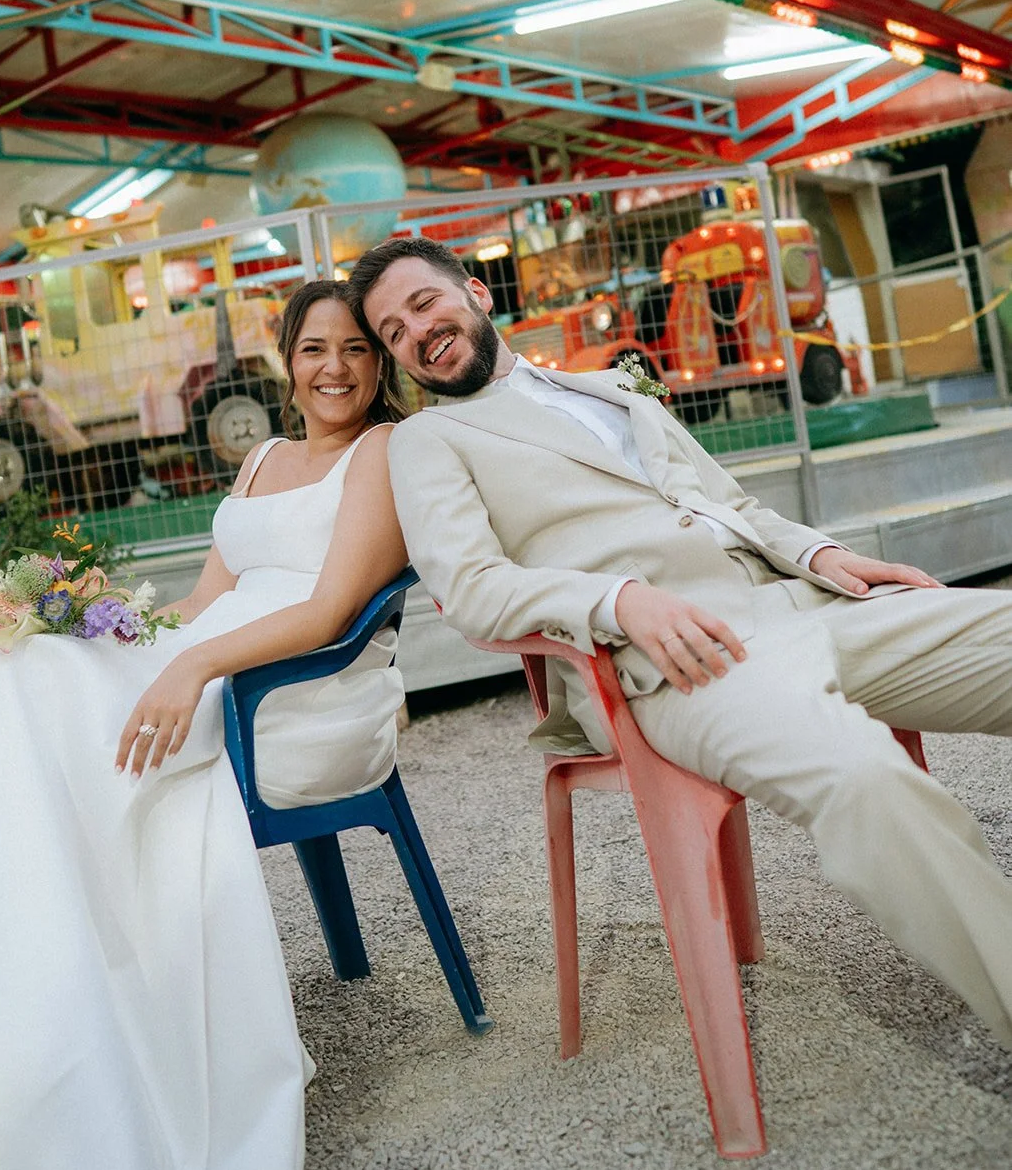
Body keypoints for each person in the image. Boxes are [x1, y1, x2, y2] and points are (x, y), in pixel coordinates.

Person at [351, 235, 1012, 1057]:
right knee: (864, 780)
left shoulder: (610, 388)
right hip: (677, 661)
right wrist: (615, 600)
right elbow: (470, 588)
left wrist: (825, 556)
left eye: (424, 304)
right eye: (392, 332)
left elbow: (731, 502)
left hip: (803, 604)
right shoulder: (428, 442)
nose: (416, 332)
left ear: (477, 295)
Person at [0, 279, 408, 1170]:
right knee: (23, 672)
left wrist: (194, 665)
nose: (332, 368)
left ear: (381, 365)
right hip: (211, 646)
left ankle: (62, 1037)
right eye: (314, 347)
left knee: (56, 719)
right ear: (286, 359)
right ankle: (17, 968)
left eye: (356, 351)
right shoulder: (258, 457)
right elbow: (204, 595)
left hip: (280, 677)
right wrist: (98, 618)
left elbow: (331, 608)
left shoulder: (382, 453)